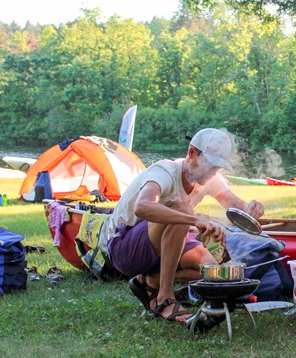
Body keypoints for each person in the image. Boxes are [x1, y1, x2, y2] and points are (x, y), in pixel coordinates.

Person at [98, 128, 264, 323]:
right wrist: (194, 220)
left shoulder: (209, 178)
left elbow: (236, 205)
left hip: (158, 246)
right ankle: (165, 298)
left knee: (212, 266)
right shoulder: (165, 171)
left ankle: (150, 282)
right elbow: (141, 207)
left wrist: (252, 207)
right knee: (182, 209)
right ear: (192, 153)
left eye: (217, 167)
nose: (213, 172)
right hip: (122, 248)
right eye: (210, 165)